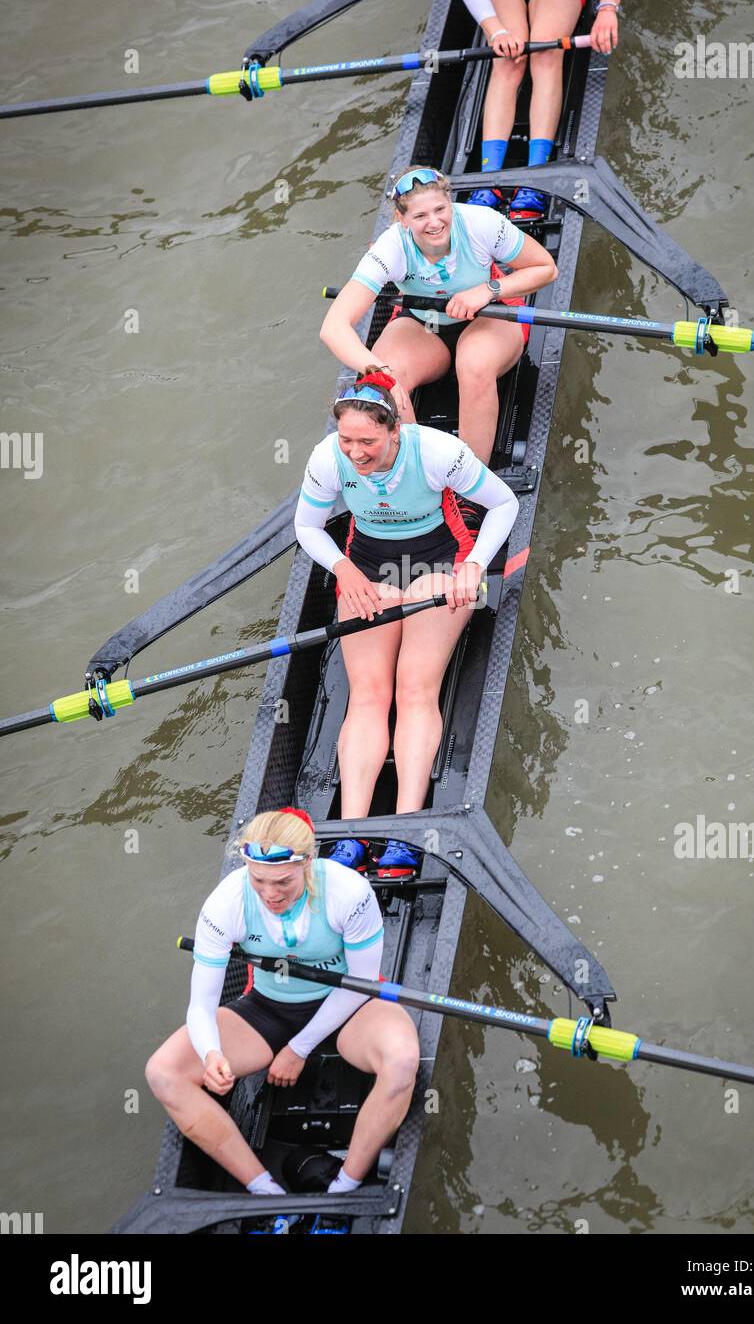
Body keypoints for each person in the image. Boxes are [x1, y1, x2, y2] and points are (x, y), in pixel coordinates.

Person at [294, 371, 519, 874]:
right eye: (347, 439)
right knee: (368, 694)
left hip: (439, 565)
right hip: (367, 566)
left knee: (414, 689)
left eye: (367, 441)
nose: (355, 452)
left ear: (394, 431)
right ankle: (352, 834)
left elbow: (505, 503)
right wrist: (342, 568)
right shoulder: (325, 458)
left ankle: (405, 830)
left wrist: (475, 565)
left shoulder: (437, 451)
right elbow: (307, 527)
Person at [145, 807, 418, 1197]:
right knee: (163, 1073)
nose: (271, 894)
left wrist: (298, 1048)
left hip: (350, 1007)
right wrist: (210, 1054)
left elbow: (359, 985)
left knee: (403, 1062)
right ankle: (263, 1189)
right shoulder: (226, 904)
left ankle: (345, 1186)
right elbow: (201, 1006)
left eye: (283, 882)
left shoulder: (348, 892)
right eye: (259, 880)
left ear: (308, 862)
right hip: (269, 1008)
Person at [319, 166, 557, 466]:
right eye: (420, 216)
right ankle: (413, 473)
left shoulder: (480, 223)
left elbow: (545, 268)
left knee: (473, 364)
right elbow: (333, 327)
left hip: (490, 316)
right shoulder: (391, 247)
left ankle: (470, 481)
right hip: (426, 326)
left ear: (450, 203)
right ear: (402, 220)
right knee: (383, 379)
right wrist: (380, 370)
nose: (434, 223)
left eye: (440, 210)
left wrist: (488, 289)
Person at [449, 0, 633, 218]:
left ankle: (537, 178)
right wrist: (494, 30)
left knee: (546, 51)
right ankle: (489, 180)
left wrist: (608, 8)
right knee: (508, 61)